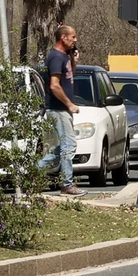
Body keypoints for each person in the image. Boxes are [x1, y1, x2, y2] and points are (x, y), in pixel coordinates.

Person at [34, 25, 82, 195]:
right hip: (58, 109)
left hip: (63, 110)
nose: (75, 40)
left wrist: (73, 59)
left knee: (63, 148)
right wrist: (69, 104)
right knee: (69, 146)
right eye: (73, 37)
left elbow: (69, 77)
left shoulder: (64, 57)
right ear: (63, 37)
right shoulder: (55, 57)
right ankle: (67, 184)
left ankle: (31, 173)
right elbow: (55, 86)